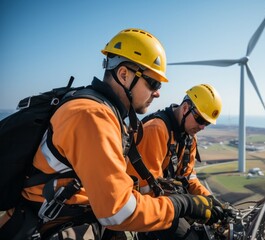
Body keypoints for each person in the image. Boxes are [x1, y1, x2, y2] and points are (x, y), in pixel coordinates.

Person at [0, 28, 220, 239]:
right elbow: (119, 211)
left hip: (75, 217)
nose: (157, 92)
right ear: (124, 74)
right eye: (152, 82)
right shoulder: (92, 116)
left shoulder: (107, 113)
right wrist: (183, 204)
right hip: (52, 225)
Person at [127, 84, 225, 240]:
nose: (202, 127)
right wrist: (189, 205)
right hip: (148, 208)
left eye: (206, 123)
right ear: (185, 108)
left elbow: (189, 179)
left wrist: (211, 201)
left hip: (171, 204)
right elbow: (147, 189)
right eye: (200, 119)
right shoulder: (156, 129)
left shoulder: (189, 138)